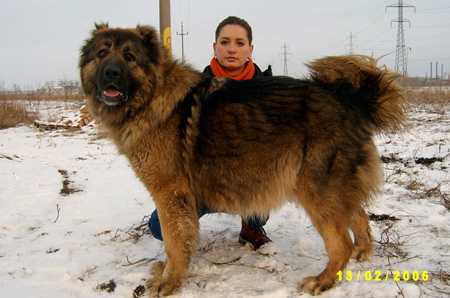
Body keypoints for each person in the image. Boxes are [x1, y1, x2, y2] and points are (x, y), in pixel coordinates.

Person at [149, 16, 272, 250]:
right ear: (215, 47)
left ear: (250, 48)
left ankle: (252, 225)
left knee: (265, 194)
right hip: (205, 184)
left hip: (251, 181)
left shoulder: (271, 90)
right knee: (158, 228)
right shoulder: (194, 88)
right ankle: (187, 229)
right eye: (225, 42)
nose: (232, 49)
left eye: (239, 43)